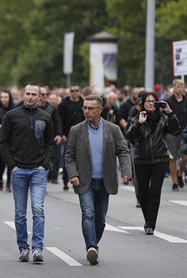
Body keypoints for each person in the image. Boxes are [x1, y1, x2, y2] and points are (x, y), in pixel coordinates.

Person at [65, 95, 131, 266]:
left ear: (100, 110)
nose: (86, 111)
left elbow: (123, 151)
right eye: (84, 108)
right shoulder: (76, 130)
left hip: (105, 181)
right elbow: (69, 156)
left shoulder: (113, 129)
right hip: (85, 181)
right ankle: (91, 247)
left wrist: (126, 171)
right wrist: (73, 174)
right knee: (88, 213)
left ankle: (94, 245)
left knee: (100, 219)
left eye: (90, 108)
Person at [0, 83, 54, 263]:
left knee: (38, 210)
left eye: (34, 94)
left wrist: (45, 164)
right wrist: (12, 165)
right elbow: (3, 142)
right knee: (20, 213)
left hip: (38, 170)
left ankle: (37, 248)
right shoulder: (12, 116)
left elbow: (49, 143)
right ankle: (23, 248)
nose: (30, 97)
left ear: (39, 97)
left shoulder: (45, 116)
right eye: (27, 94)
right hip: (19, 170)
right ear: (23, 95)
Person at [125, 92, 180, 235]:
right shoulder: (136, 118)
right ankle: (147, 219)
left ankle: (150, 224)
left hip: (160, 159)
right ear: (142, 104)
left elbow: (175, 129)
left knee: (155, 193)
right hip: (141, 160)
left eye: (153, 101)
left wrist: (170, 112)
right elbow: (129, 136)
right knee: (143, 194)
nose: (150, 103)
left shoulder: (163, 118)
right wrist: (139, 123)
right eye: (147, 101)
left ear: (157, 104)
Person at [58, 84, 84, 190]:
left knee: (80, 159)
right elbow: (59, 120)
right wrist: (62, 134)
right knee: (67, 159)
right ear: (70, 92)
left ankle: (78, 180)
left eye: (76, 90)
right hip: (67, 135)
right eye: (72, 91)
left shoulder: (83, 102)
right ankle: (65, 180)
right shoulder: (63, 104)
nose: (74, 93)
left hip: (81, 135)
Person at [38, 87, 63, 185]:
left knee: (54, 158)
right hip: (37, 138)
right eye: (42, 94)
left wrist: (59, 134)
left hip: (50, 138)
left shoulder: (52, 109)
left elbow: (58, 122)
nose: (44, 96)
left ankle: (52, 177)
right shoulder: (34, 108)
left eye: (46, 95)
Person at [165, 79, 187, 191]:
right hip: (171, 133)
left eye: (182, 86)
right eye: (178, 86)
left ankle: (180, 173)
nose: (180, 88)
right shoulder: (168, 101)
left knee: (185, 157)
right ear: (174, 87)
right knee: (172, 158)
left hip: (185, 134)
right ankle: (174, 182)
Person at [0, 90, 15, 191]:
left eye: (6, 97)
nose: (4, 99)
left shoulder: (13, 109)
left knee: (10, 160)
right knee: (2, 161)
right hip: (0, 138)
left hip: (12, 138)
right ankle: (0, 180)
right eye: (2, 97)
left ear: (9, 98)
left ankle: (8, 183)